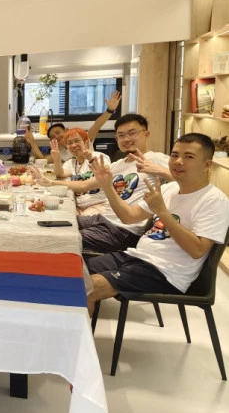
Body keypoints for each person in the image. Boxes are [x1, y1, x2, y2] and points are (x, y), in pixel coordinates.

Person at [85, 133, 229, 315]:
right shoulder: (169, 189)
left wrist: (162, 213)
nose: (178, 161)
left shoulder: (214, 200)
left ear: (207, 165)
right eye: (175, 155)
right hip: (136, 257)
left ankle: (77, 333)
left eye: (189, 157)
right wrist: (107, 186)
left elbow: (197, 250)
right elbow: (128, 217)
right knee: (73, 272)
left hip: (166, 272)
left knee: (86, 288)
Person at [31, 114, 172, 252]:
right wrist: (49, 182)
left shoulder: (155, 159)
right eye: (121, 135)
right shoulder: (118, 165)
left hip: (123, 230)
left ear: (146, 134)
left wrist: (160, 171)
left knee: (58, 240)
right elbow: (85, 185)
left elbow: (185, 180)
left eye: (132, 133)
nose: (126, 139)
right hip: (103, 218)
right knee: (52, 221)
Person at [26, 90, 122, 161]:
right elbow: (43, 159)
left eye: (58, 132)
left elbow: (97, 124)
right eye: (53, 137)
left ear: (66, 130)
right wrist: (32, 142)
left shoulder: (83, 139)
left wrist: (110, 110)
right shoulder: (60, 152)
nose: (56, 137)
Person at [50, 127, 110, 215]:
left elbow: (104, 176)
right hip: (78, 206)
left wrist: (91, 159)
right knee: (58, 215)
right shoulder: (71, 163)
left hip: (99, 204)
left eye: (77, 141)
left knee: (78, 220)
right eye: (69, 143)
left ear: (86, 143)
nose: (73, 145)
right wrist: (56, 159)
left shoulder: (99, 157)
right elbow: (60, 174)